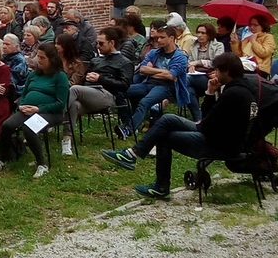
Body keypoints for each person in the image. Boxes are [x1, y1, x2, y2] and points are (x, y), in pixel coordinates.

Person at [102, 53, 254, 199]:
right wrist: (210, 93)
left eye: (217, 70)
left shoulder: (233, 94)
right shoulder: (244, 89)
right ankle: (133, 155)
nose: (214, 74)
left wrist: (208, 98)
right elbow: (209, 120)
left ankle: (158, 183)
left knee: (164, 135)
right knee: (168, 120)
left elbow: (207, 124)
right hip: (225, 139)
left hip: (220, 145)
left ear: (226, 71)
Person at [0, 42, 69, 178]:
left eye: (42, 58)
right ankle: (2, 159)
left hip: (50, 113)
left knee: (29, 128)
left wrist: (38, 109)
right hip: (27, 109)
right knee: (7, 125)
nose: (38, 60)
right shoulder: (33, 75)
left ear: (52, 59)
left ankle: (41, 164)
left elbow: (60, 104)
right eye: (38, 57)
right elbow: (24, 93)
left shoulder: (60, 77)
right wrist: (21, 105)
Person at [63, 26, 134, 155]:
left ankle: (54, 114)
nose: (98, 46)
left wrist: (100, 78)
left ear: (112, 43)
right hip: (89, 93)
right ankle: (66, 142)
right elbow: (84, 79)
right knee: (74, 105)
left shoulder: (124, 62)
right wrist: (87, 76)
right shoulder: (96, 60)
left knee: (74, 89)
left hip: (107, 95)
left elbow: (124, 85)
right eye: (97, 43)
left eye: (101, 43)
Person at [123, 24, 193, 138]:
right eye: (157, 37)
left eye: (162, 37)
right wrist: (161, 72)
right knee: (122, 92)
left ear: (171, 38)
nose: (158, 40)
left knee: (145, 102)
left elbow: (171, 76)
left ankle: (128, 130)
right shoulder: (154, 52)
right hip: (148, 84)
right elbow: (143, 69)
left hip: (166, 88)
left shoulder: (180, 56)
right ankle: (127, 122)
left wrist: (152, 70)